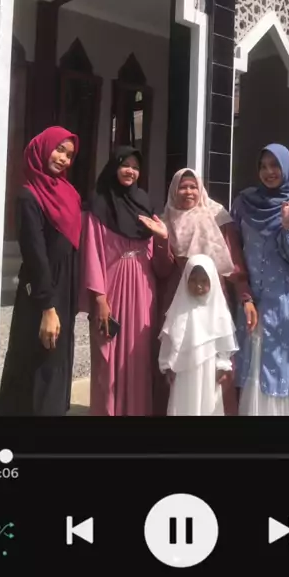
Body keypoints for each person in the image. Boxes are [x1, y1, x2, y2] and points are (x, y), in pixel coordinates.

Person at [138, 168, 257, 416]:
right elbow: (162, 269)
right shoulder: (165, 220)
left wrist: (245, 296)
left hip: (213, 297)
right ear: (174, 190)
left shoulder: (217, 216)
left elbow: (234, 261)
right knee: (177, 356)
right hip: (178, 297)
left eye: (193, 186)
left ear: (201, 189)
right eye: (183, 187)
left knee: (216, 358)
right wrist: (162, 239)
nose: (188, 192)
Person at [79, 146, 171, 416]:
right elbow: (91, 253)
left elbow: (160, 264)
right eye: (125, 165)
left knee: (139, 354)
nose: (131, 171)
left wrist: (163, 238)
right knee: (109, 353)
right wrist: (99, 299)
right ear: (114, 166)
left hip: (143, 288)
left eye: (136, 167)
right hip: (112, 287)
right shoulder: (99, 205)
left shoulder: (144, 204)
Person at [0, 126, 81, 416]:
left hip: (65, 288)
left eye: (69, 154)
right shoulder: (29, 196)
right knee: (36, 364)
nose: (63, 158)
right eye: (59, 149)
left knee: (57, 362)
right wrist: (48, 307)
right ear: (42, 149)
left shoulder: (70, 193)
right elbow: (35, 254)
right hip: (42, 291)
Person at [231, 144, 289, 416]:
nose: (269, 171)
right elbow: (233, 250)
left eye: (275, 165)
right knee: (254, 364)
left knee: (281, 366)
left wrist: (288, 225)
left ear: (287, 168)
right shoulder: (244, 204)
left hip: (284, 304)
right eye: (263, 166)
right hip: (252, 300)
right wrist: (243, 293)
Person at [158, 255, 238, 416]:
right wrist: (168, 366)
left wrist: (222, 365)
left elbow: (224, 342)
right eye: (193, 280)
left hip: (209, 372)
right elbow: (169, 340)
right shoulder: (179, 310)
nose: (198, 286)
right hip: (183, 370)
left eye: (203, 281)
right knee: (184, 405)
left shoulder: (218, 311)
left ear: (212, 281)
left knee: (208, 406)